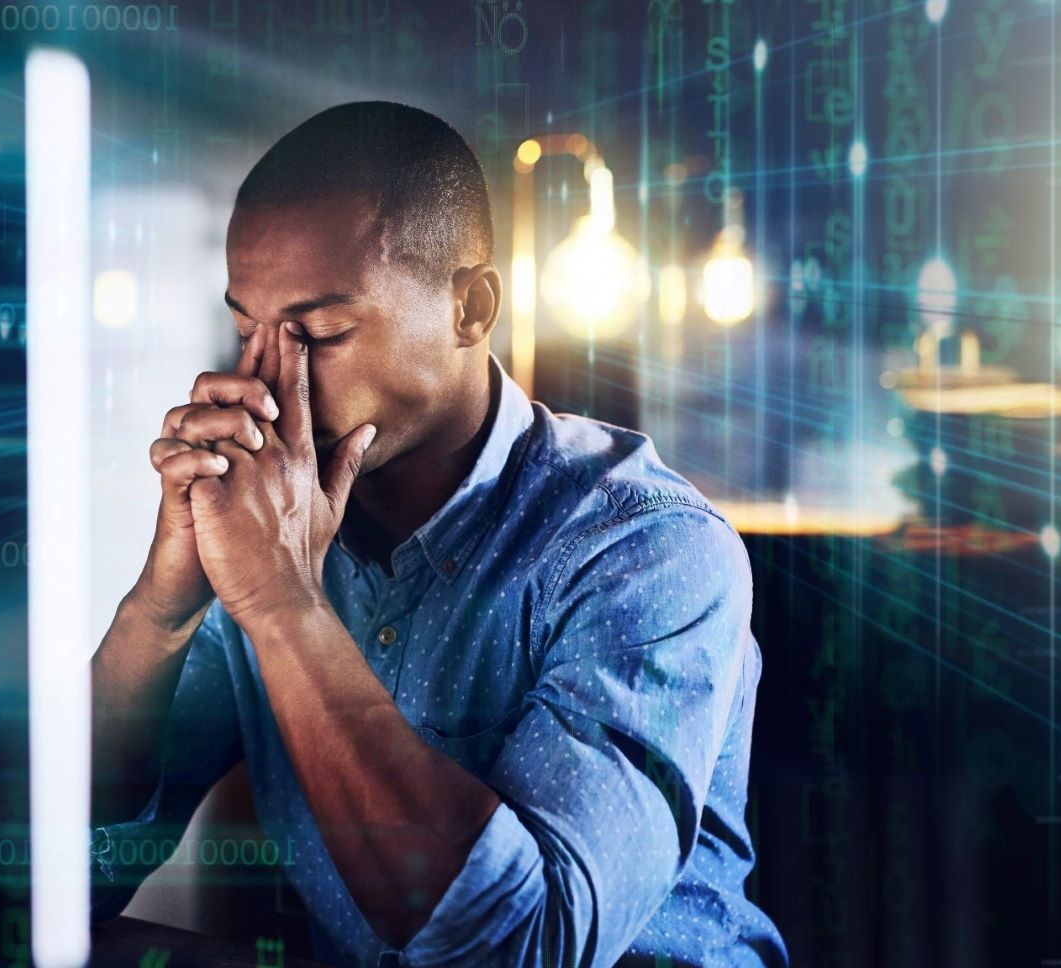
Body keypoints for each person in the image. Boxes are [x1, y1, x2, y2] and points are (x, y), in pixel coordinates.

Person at [88, 100, 787, 967]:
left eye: (320, 333)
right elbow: (53, 873)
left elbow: (520, 947)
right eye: (245, 330)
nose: (263, 382)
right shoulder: (271, 533)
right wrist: (159, 611)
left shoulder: (648, 548)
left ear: (471, 307)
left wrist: (283, 603)